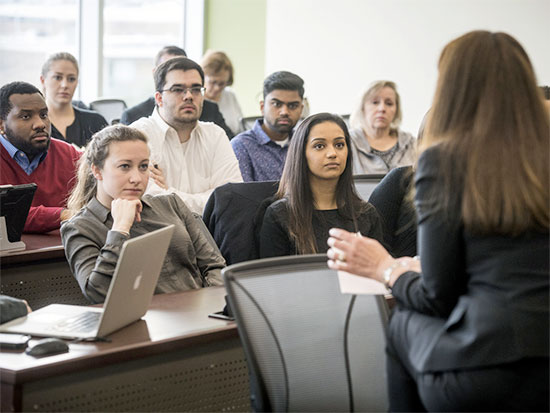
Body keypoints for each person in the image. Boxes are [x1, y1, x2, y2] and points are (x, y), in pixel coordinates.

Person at [328, 31, 549, 411]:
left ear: (453, 88)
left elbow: (436, 296)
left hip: (486, 372)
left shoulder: (444, 160)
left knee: (402, 324)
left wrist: (385, 268)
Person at [61, 125, 225, 304]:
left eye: (143, 166)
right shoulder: (79, 227)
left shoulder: (171, 203)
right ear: (97, 170)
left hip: (200, 312)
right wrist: (120, 229)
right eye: (124, 166)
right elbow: (98, 294)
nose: (137, 178)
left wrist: (210, 303)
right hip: (144, 318)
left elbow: (215, 265)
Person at [259, 113, 383, 258]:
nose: (332, 153)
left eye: (339, 145)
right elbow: (274, 273)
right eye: (319, 146)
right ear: (301, 154)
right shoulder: (279, 215)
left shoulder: (366, 214)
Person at [131, 57, 242, 215]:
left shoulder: (215, 135)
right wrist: (208, 200)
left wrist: (168, 192)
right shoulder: (138, 135)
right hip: (160, 229)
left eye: (196, 89)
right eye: (178, 89)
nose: (189, 96)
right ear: (159, 98)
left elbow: (231, 198)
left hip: (211, 230)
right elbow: (151, 203)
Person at [0, 81, 81, 233]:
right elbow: (5, 215)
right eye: (26, 116)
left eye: (43, 115)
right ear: (1, 125)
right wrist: (62, 215)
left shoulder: (69, 154)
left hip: (64, 246)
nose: (40, 124)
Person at [120, 45, 234, 139]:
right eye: (177, 89)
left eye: (181, 66)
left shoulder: (213, 123)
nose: (188, 96)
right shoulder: (134, 118)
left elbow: (231, 144)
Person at [231, 71, 305, 182]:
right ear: (262, 107)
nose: (284, 112)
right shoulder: (241, 146)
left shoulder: (304, 143)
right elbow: (241, 192)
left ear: (301, 109)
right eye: (277, 104)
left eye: (293, 106)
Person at [40, 52, 108, 147]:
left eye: (71, 79)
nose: (65, 85)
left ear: (77, 82)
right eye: (58, 77)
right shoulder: (35, 125)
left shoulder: (96, 122)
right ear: (43, 80)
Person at [349, 80, 416, 174]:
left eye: (389, 103)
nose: (382, 109)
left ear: (396, 110)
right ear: (362, 108)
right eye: (375, 102)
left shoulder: (410, 143)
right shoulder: (348, 142)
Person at [201, 50, 244, 136]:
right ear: (203, 77)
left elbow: (241, 127)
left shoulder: (230, 96)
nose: (217, 88)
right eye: (213, 82)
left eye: (222, 83)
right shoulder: (197, 99)